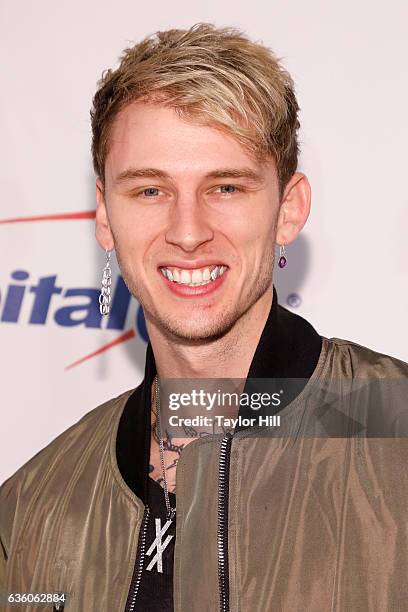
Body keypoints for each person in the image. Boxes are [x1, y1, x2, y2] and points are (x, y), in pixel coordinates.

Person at [1, 22, 407, 612]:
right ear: (105, 218)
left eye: (225, 187)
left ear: (288, 209)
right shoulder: (33, 508)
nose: (188, 233)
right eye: (149, 191)